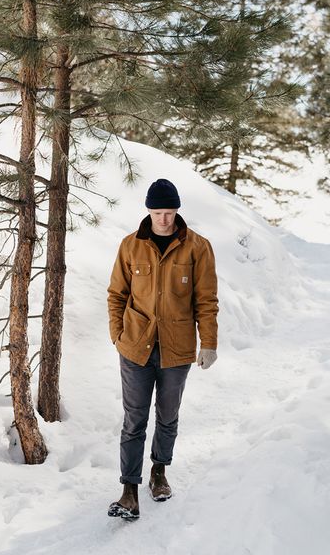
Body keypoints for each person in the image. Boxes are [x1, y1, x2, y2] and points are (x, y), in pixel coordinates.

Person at [107, 178, 219, 520]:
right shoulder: (131, 246)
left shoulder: (198, 247)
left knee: (167, 416)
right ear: (149, 211)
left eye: (169, 212)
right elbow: (116, 295)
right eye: (158, 213)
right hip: (135, 348)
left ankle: (159, 472)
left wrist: (209, 343)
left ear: (177, 211)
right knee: (134, 420)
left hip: (177, 349)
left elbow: (206, 300)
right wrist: (117, 335)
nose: (164, 219)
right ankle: (129, 491)